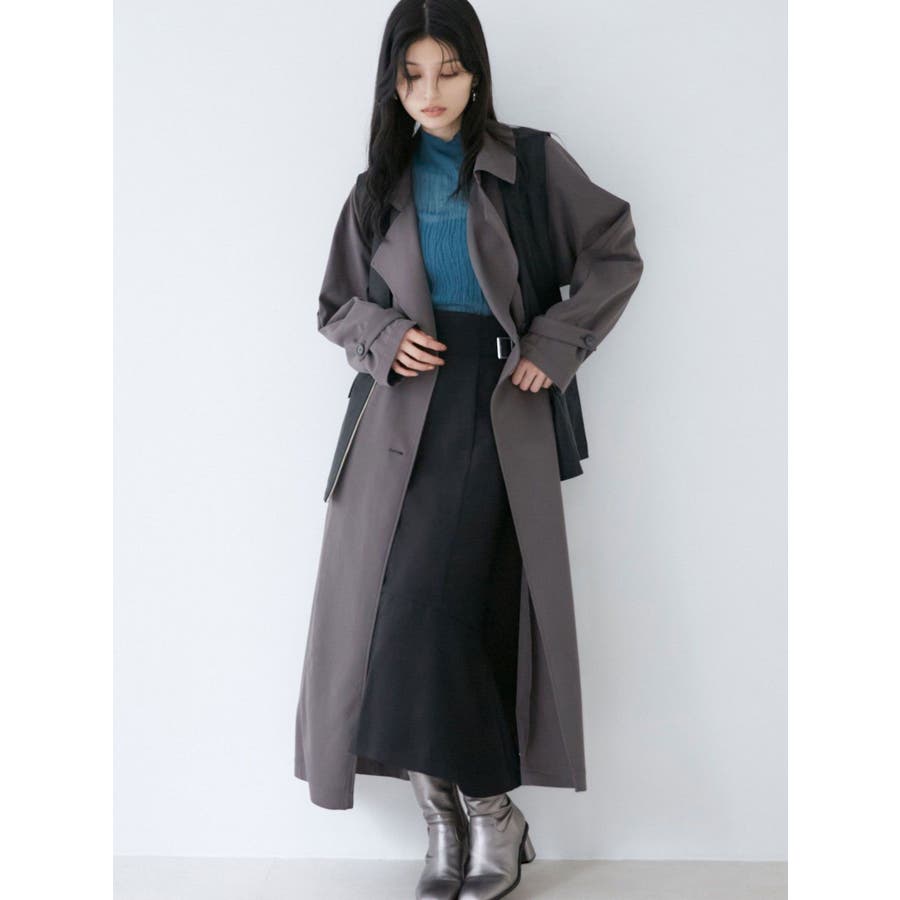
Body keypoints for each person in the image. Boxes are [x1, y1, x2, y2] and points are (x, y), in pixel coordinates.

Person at [294, 2, 644, 897]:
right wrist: (383, 337)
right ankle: (445, 824)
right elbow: (335, 303)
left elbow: (614, 250)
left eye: (447, 70)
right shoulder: (378, 186)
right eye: (413, 74)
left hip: (497, 406)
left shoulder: (531, 164)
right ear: (393, 82)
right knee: (393, 618)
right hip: (396, 422)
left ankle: (491, 811)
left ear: (476, 72)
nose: (431, 91)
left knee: (438, 609)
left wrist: (553, 343)